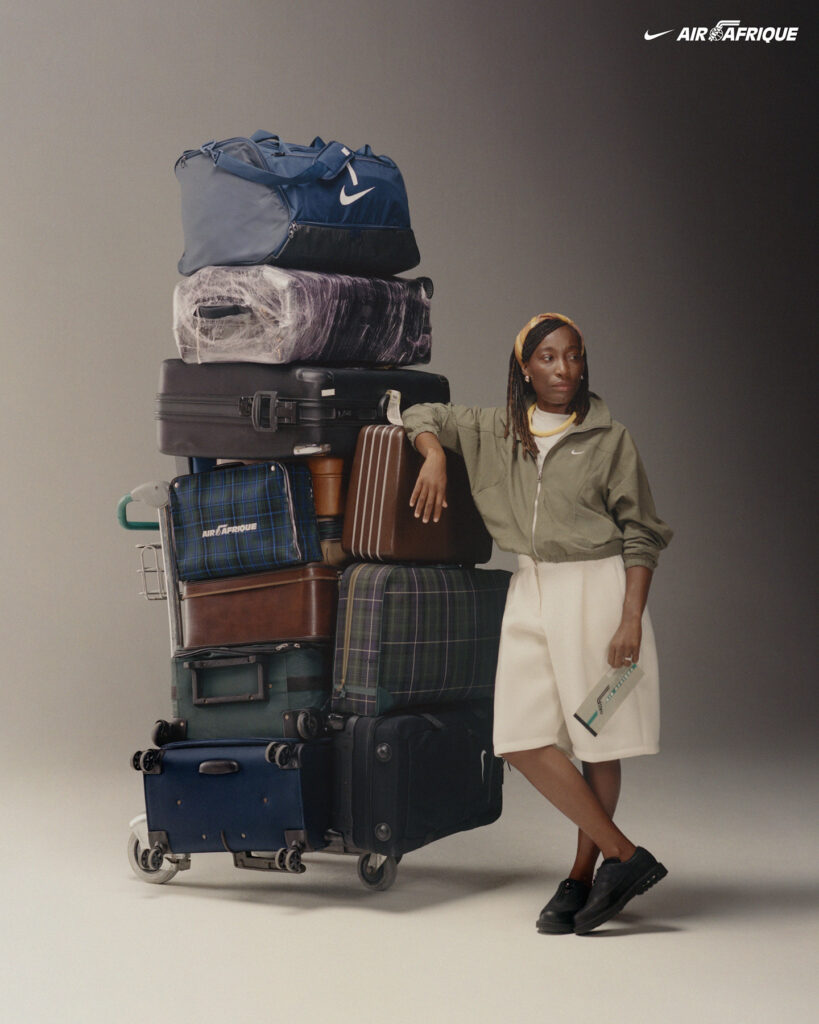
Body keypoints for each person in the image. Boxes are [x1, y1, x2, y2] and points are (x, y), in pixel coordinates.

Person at [401, 313, 673, 935]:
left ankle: (584, 875)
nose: (564, 370)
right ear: (525, 368)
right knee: (520, 738)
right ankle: (626, 857)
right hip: (529, 588)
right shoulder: (496, 428)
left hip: (599, 595)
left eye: (574, 356)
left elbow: (642, 533)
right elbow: (420, 412)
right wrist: (434, 458)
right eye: (548, 358)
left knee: (595, 737)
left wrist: (630, 618)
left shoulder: (610, 437)